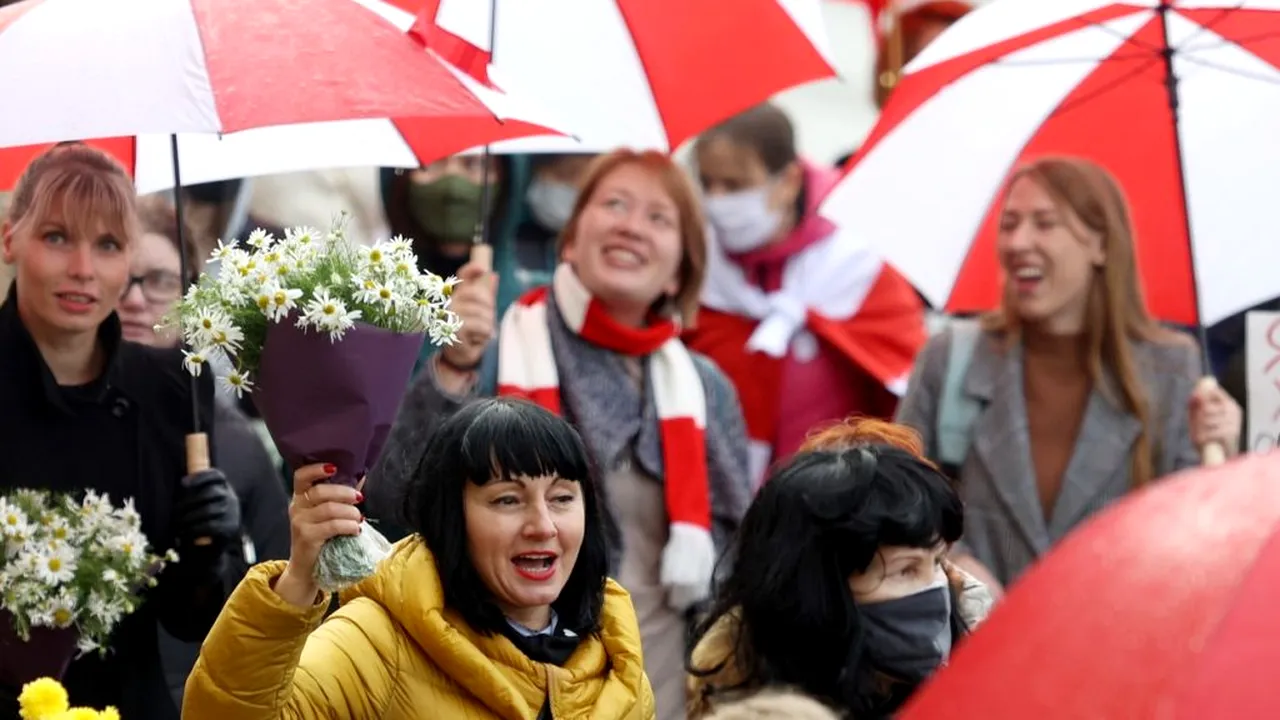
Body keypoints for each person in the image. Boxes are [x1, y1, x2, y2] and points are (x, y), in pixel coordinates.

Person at [368, 148, 753, 720]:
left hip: (668, 693)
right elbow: (391, 499)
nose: (631, 225)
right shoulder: (499, 350)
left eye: (658, 217)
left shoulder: (706, 389)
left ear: (682, 266)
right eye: (614, 204)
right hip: (506, 686)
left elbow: (738, 563)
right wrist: (453, 366)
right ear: (570, 240)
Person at [183, 397, 655, 719]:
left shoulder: (615, 658)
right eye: (507, 500)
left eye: (562, 498)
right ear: (450, 517)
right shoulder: (377, 642)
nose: (543, 526)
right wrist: (299, 578)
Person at [895, 157, 1243, 589]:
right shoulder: (951, 357)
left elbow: (1199, 540)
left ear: (1101, 245)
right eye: (1009, 223)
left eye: (1045, 223)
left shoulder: (1170, 367)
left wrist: (1221, 459)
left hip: (1113, 626)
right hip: (977, 630)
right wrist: (955, 566)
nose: (1018, 241)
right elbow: (898, 504)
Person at [0, 142, 241, 719]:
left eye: (108, 244)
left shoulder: (174, 387)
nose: (83, 269)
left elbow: (189, 619)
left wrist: (210, 551)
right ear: (10, 239)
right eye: (57, 237)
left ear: (129, 256)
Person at [687, 103, 927, 486]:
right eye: (707, 182)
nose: (717, 200)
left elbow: (911, 401)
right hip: (720, 493)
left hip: (840, 496)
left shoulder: (859, 266)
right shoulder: (694, 266)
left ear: (789, 181)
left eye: (734, 185)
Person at [687, 418, 990, 719]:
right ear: (819, 589)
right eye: (905, 570)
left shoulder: (983, 682)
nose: (937, 590)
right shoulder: (753, 710)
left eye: (937, 562)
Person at [116, 193, 293, 706]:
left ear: (190, 297)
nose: (135, 299)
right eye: (122, 278)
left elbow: (278, 593)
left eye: (159, 281)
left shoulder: (234, 442)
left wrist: (218, 556)